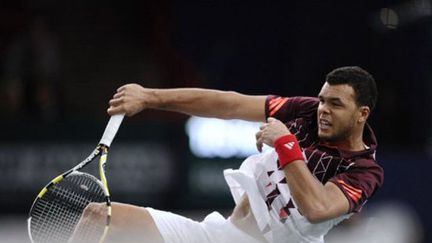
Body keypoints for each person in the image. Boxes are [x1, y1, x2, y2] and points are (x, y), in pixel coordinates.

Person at [78, 66, 384, 243]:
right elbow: (230, 104)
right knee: (98, 216)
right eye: (321, 100)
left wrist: (286, 144)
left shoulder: (364, 171)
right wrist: (149, 97)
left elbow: (317, 207)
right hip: (221, 234)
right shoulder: (306, 112)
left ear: (362, 114)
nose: (323, 110)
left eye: (336, 104)